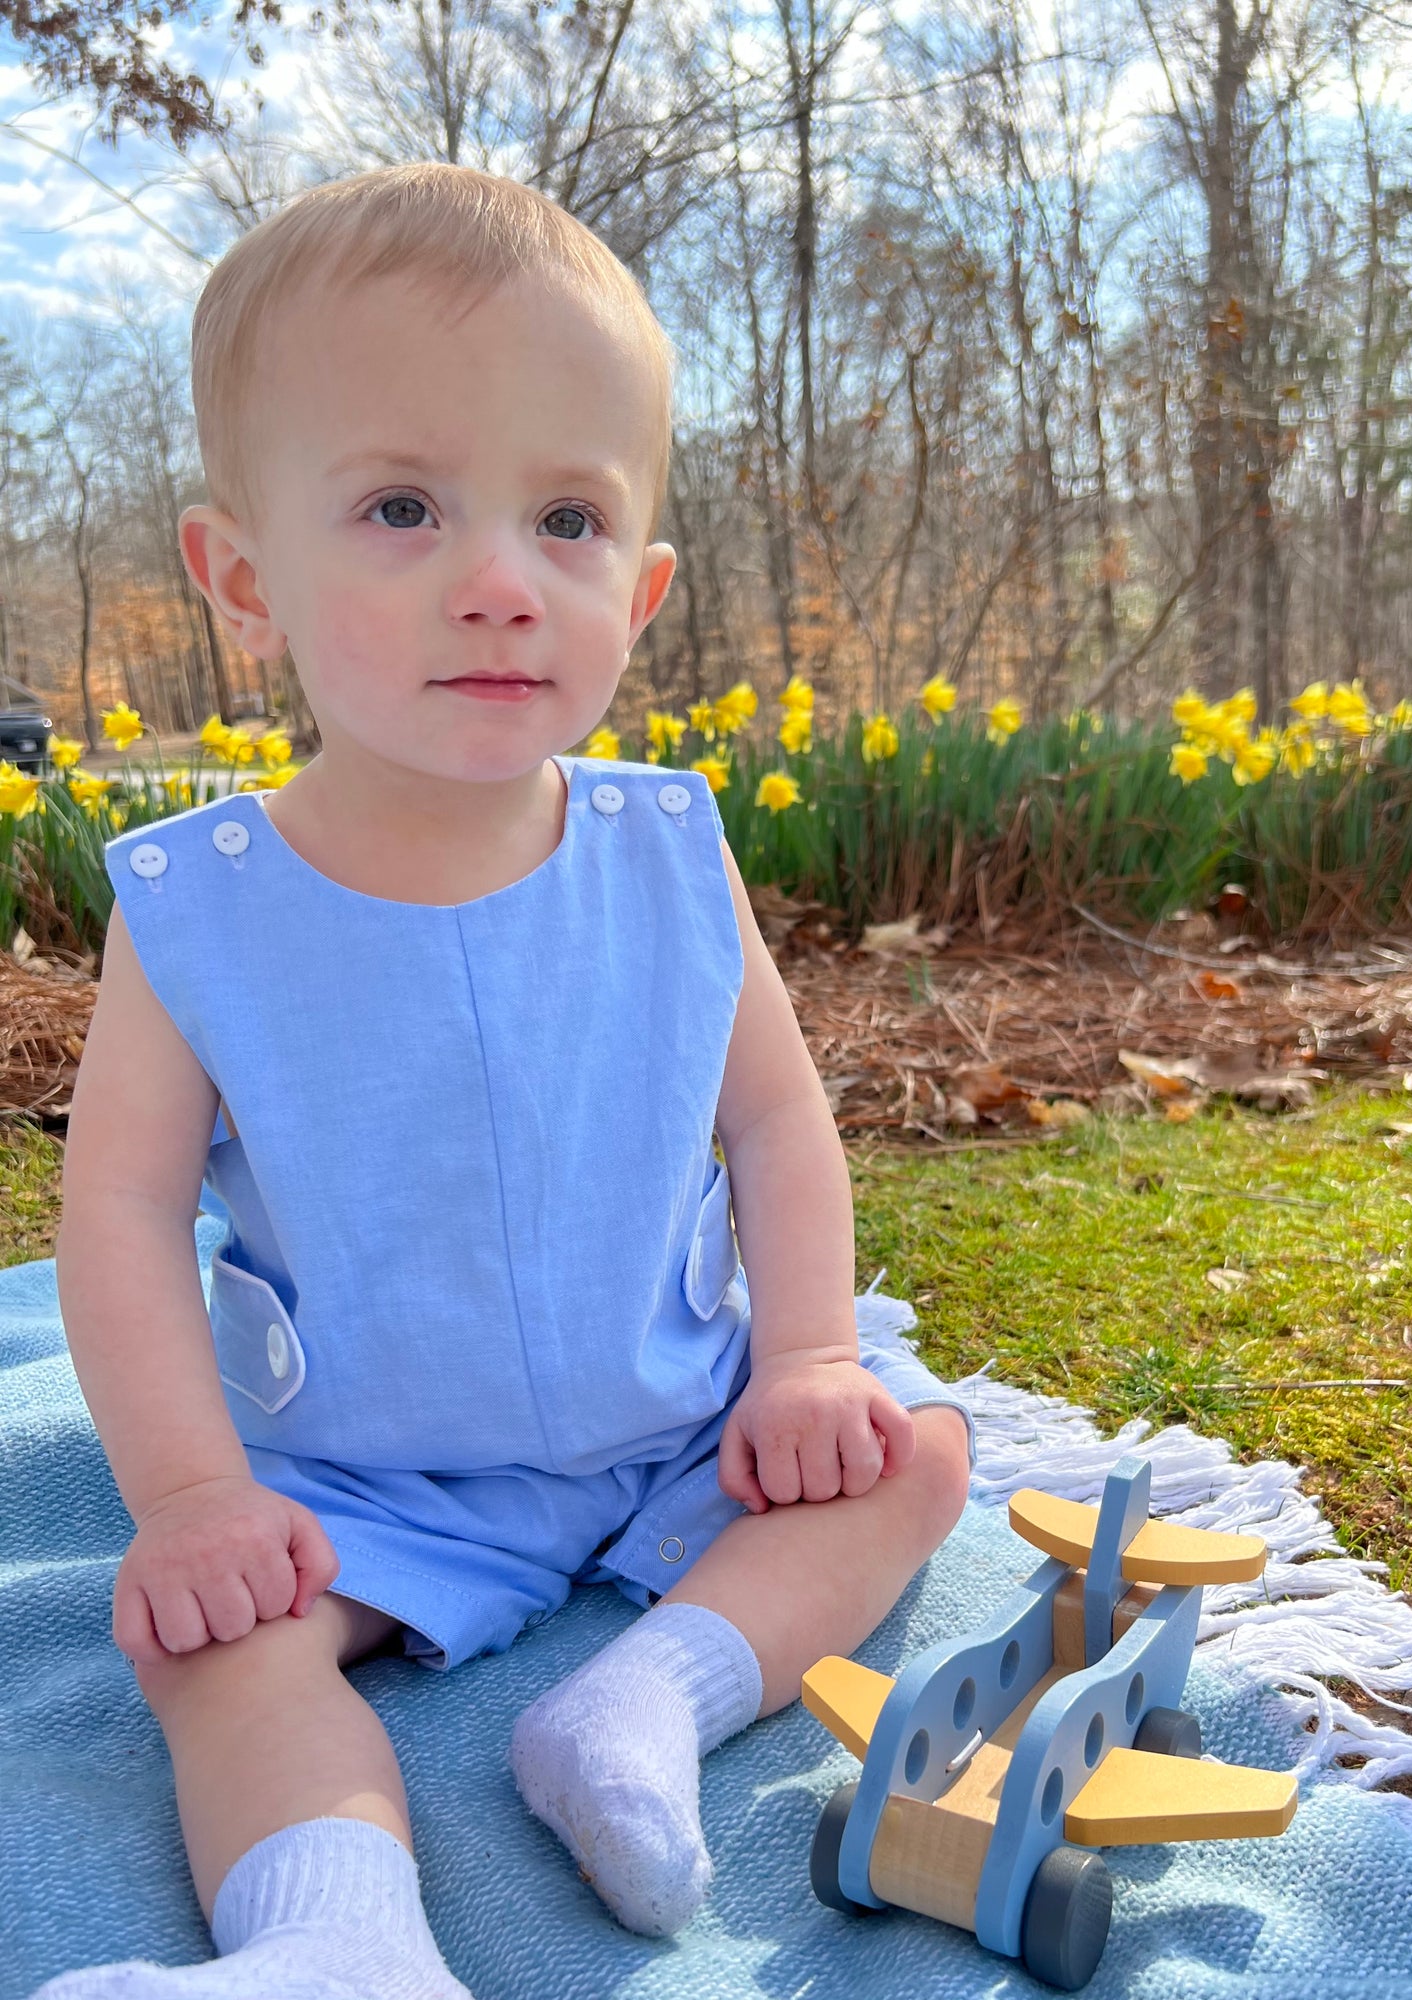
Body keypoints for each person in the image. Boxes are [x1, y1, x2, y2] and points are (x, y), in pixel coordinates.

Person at [38, 163, 975, 2000]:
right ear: (243, 575)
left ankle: (641, 1703)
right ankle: (338, 1941)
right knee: (214, 1644)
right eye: (401, 507)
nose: (497, 584)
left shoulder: (664, 853)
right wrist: (191, 1498)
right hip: (374, 1474)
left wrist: (797, 1360)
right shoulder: (204, 907)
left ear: (640, 584)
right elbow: (123, 1211)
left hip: (678, 1414)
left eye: (565, 518)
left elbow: (772, 1120)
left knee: (911, 1456)